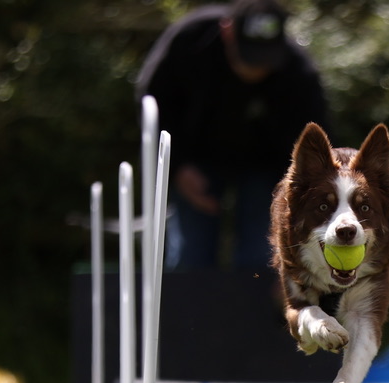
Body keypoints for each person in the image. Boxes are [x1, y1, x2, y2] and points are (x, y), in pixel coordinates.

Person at [135, 0, 329, 271]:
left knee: (262, 257)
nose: (255, 69)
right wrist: (177, 167)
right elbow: (154, 105)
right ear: (227, 31)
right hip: (195, 158)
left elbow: (313, 146)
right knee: (191, 254)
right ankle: (187, 311)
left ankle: (254, 310)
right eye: (247, 54)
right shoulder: (189, 40)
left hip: (265, 169)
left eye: (265, 59)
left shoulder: (299, 72)